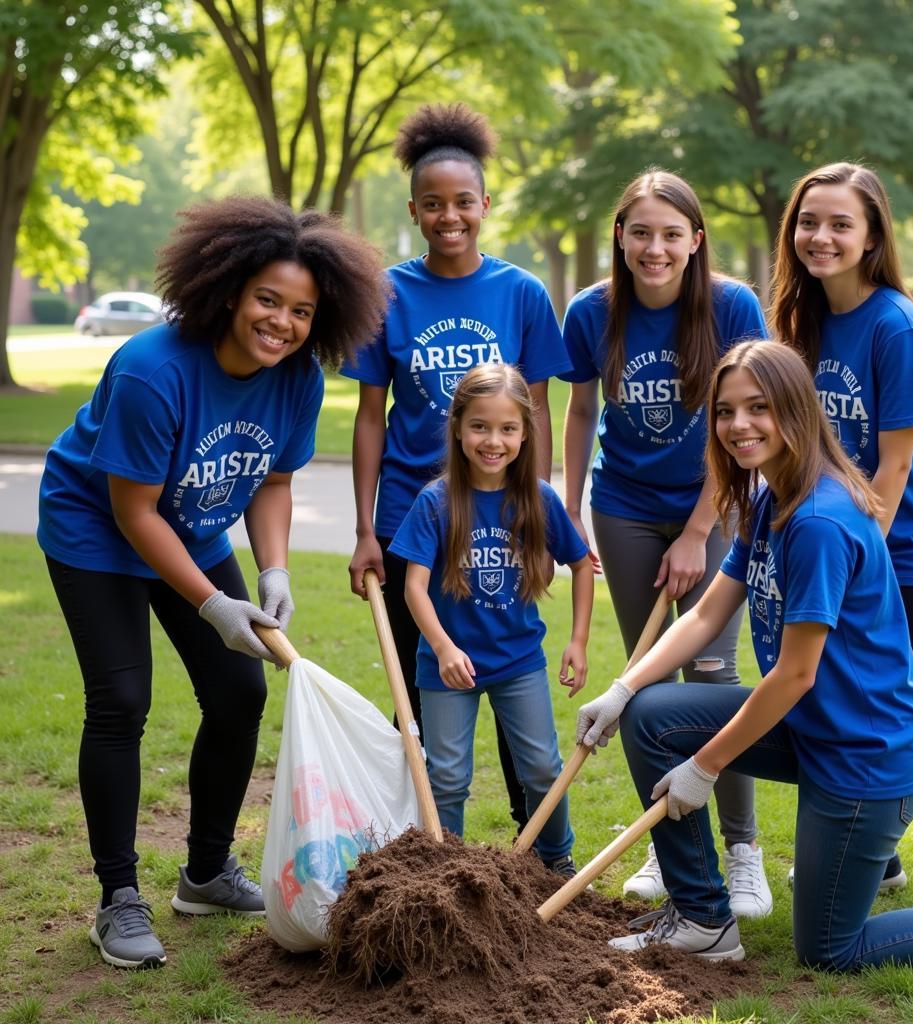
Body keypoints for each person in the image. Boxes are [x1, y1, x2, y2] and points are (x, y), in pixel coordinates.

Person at [574, 340, 913, 968]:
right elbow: (707, 612)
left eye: (758, 407)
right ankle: (704, 919)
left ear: (796, 410)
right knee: (651, 715)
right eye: (726, 411)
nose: (739, 425)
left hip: (867, 755)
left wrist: (704, 768)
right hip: (815, 727)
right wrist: (622, 690)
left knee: (831, 950)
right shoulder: (769, 497)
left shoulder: (817, 522)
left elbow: (794, 673)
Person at [38, 196, 387, 969]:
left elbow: (270, 482)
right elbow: (132, 510)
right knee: (122, 700)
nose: (282, 322)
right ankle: (117, 898)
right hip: (96, 529)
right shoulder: (151, 371)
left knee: (239, 693)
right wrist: (208, 600)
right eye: (268, 299)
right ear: (230, 289)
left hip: (188, 526)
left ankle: (205, 872)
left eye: (301, 310)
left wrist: (272, 569)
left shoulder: (294, 377)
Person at [770, 162, 913, 901]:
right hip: (842, 549)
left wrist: (855, 562)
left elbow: (896, 466)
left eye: (842, 224)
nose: (822, 236)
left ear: (872, 237)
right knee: (837, 706)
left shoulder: (896, 325)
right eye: (811, 221)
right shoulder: (801, 321)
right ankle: (880, 856)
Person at [343, 103, 571, 834]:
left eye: (463, 203)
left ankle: (538, 851)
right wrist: (363, 529)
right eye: (433, 204)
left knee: (512, 681)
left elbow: (534, 414)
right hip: (414, 519)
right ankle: (435, 848)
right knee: (431, 697)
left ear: (485, 206)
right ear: (414, 210)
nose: (450, 216)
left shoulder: (522, 293)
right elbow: (369, 417)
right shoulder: (387, 295)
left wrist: (537, 510)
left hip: (502, 511)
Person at [560, 168, 771, 917]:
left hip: (711, 506)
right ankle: (672, 840)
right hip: (622, 505)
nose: (655, 248)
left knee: (713, 678)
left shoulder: (730, 306)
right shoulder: (591, 312)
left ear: (695, 241)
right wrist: (571, 503)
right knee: (645, 683)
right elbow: (581, 410)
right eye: (640, 232)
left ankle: (743, 851)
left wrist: (696, 532)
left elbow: (750, 422)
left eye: (670, 234)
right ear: (620, 236)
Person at [390, 364, 593, 873]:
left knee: (543, 769)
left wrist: (578, 641)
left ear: (526, 433)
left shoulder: (538, 500)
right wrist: (441, 647)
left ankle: (554, 861)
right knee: (448, 777)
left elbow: (581, 564)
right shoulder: (435, 502)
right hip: (447, 668)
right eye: (480, 426)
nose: (493, 440)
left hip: (519, 661)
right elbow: (413, 586)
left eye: (508, 428)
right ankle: (445, 870)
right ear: (457, 427)